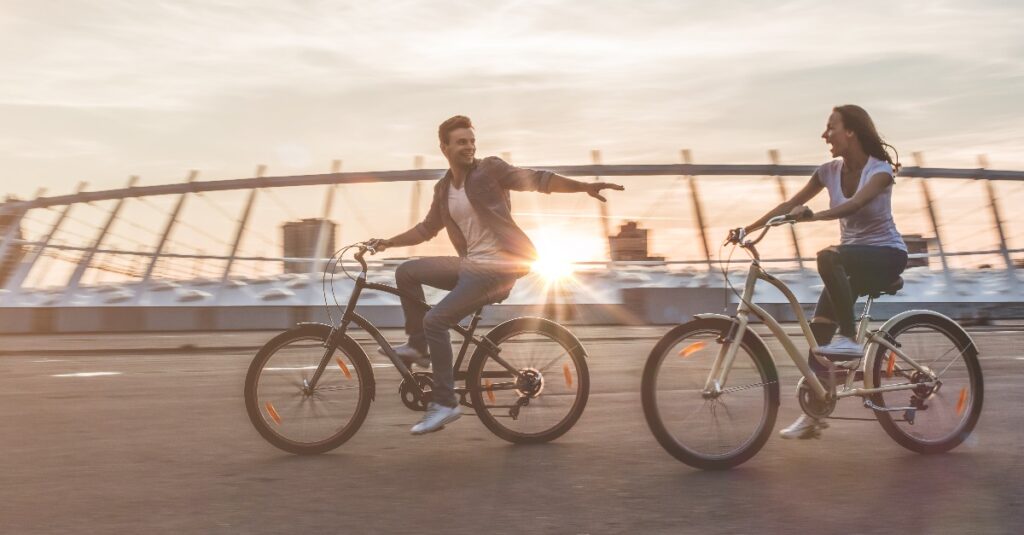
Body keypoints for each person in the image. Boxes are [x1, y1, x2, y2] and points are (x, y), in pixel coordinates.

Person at [368, 115, 624, 435]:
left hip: (497, 269)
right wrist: (387, 243)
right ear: (444, 147)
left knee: (435, 320)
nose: (469, 146)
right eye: (461, 142)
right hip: (470, 265)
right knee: (406, 272)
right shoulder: (444, 188)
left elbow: (538, 179)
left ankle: (445, 403)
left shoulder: (489, 170)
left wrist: (583, 186)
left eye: (472, 141)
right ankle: (419, 348)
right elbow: (426, 229)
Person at [741, 105, 908, 439]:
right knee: (818, 333)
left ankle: (849, 340)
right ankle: (815, 412)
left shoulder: (880, 171)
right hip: (852, 261)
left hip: (885, 255)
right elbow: (789, 205)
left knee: (827, 257)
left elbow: (855, 204)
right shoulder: (828, 171)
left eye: (831, 127)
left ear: (851, 132)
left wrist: (814, 217)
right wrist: (746, 228)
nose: (824, 134)